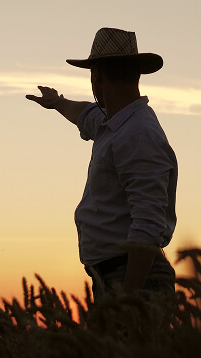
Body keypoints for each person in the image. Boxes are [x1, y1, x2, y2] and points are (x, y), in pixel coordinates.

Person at [26, 28, 178, 300]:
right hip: (117, 277)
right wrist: (58, 103)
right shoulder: (117, 123)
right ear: (137, 74)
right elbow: (84, 114)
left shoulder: (137, 134)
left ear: (96, 75)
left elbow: (147, 225)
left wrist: (128, 298)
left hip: (132, 280)